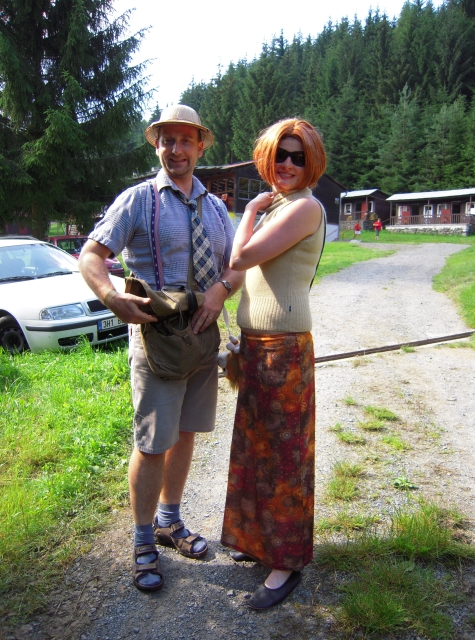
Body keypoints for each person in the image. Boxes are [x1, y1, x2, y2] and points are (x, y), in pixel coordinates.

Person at [79, 105, 243, 592]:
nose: (176, 149)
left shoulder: (216, 208)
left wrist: (221, 291)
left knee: (186, 433)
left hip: (202, 339)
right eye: (167, 140)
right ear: (157, 147)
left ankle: (170, 521)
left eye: (185, 140)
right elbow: (91, 254)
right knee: (152, 444)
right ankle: (143, 538)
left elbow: (235, 265)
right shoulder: (138, 200)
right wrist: (111, 297)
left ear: (200, 146)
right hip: (156, 341)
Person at [221, 118, 327, 610]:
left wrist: (247, 210)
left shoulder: (304, 207)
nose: (287, 163)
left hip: (283, 350)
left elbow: (240, 257)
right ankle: (258, 541)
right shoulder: (280, 205)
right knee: (256, 450)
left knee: (284, 460)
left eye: (297, 157)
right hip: (257, 344)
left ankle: (285, 562)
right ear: (267, 156)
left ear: (311, 164)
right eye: (280, 154)